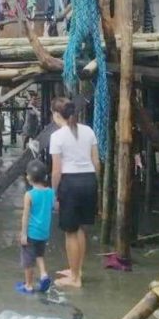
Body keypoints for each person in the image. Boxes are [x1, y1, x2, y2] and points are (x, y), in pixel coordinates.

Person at [49, 97, 99, 288]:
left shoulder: (57, 136)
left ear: (56, 114)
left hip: (70, 182)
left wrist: (54, 193)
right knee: (80, 229)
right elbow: (97, 162)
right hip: (89, 180)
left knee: (70, 232)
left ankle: (75, 278)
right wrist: (95, 183)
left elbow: (56, 170)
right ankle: (76, 268)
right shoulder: (88, 130)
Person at [16, 159, 54, 294]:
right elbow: (53, 206)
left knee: (28, 260)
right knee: (39, 255)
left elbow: (25, 216)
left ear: (29, 178)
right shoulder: (50, 192)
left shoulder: (29, 195)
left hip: (32, 233)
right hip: (44, 233)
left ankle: (28, 285)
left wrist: (23, 233)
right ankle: (44, 275)